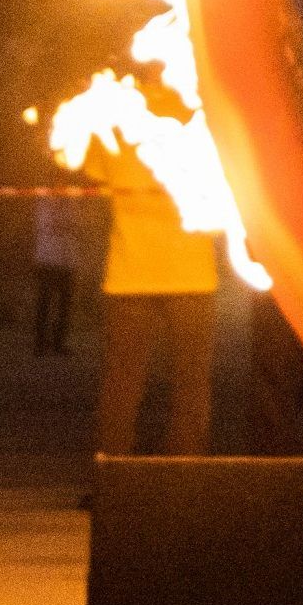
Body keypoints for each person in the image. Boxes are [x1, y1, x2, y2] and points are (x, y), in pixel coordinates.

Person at [88, 125, 219, 455]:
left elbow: (91, 167)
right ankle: (185, 472)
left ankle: (114, 474)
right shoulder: (202, 115)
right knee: (190, 384)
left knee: (122, 382)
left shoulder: (112, 115)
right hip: (191, 270)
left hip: (132, 270)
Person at [28, 185, 92, 357]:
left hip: (67, 260)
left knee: (64, 305)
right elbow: (48, 224)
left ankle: (59, 343)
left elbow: (79, 225)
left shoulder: (73, 202)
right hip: (47, 259)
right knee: (44, 303)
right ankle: (40, 343)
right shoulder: (44, 201)